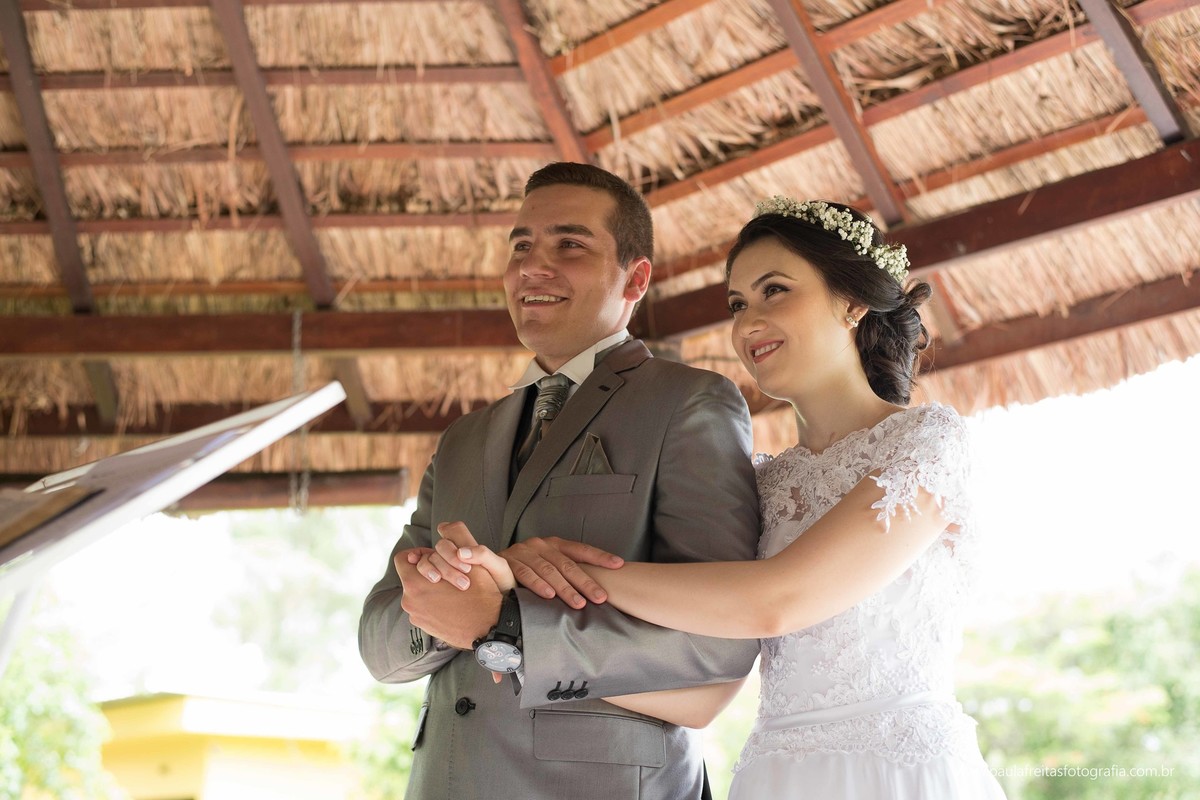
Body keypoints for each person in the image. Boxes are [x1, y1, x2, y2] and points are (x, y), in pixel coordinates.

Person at [420, 197, 1008, 798]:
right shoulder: (762, 484)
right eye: (737, 304)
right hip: (772, 779)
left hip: (898, 776)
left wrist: (551, 569)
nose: (747, 322)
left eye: (774, 290)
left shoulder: (928, 445)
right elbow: (703, 693)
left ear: (853, 302)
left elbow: (779, 600)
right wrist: (514, 643)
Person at [358, 162, 761, 800]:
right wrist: (446, 606)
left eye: (569, 245)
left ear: (637, 278)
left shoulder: (690, 404)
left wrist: (504, 623)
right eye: (522, 247)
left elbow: (720, 642)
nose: (532, 267)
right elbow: (379, 645)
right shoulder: (462, 441)